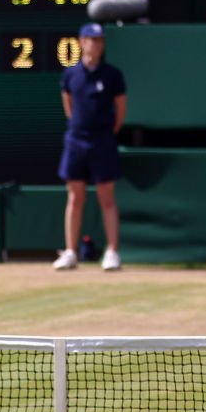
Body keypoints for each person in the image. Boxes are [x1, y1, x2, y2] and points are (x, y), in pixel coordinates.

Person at [52, 22, 128, 272]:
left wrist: (106, 131)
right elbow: (68, 107)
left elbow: (120, 110)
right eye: (92, 39)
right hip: (76, 141)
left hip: (103, 140)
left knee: (107, 197)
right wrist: (79, 128)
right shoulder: (70, 75)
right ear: (82, 42)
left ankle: (112, 252)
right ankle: (71, 252)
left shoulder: (113, 75)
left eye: (100, 40)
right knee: (75, 197)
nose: (97, 44)